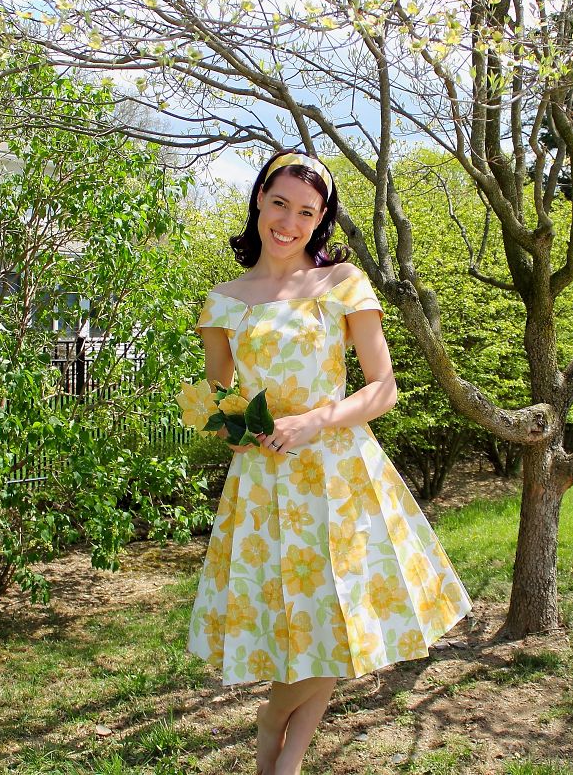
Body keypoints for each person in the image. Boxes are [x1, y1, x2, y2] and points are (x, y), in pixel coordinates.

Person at [187, 149, 472, 775]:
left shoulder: (342, 283)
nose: (289, 222)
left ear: (322, 221)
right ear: (259, 199)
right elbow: (222, 396)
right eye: (280, 203)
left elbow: (383, 388)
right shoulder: (225, 302)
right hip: (265, 483)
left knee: (341, 618)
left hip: (341, 475)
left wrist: (317, 419)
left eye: (306, 212)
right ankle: (281, 757)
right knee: (302, 622)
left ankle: (277, 746)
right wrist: (233, 427)